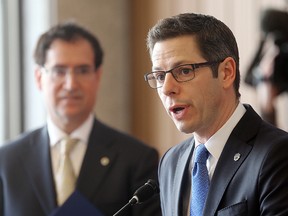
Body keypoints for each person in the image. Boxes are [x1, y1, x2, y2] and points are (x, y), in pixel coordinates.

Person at [0, 23, 161, 216]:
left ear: (97, 76)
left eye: (82, 70)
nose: (70, 84)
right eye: (59, 71)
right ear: (39, 77)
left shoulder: (137, 159)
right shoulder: (7, 161)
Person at [144, 13, 288, 216]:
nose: (167, 88)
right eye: (159, 76)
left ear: (226, 72)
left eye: (184, 71)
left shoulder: (277, 154)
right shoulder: (170, 162)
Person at [245, 8, 288, 125]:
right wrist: (263, 73)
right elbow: (247, 78)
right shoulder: (266, 44)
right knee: (264, 86)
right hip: (268, 85)